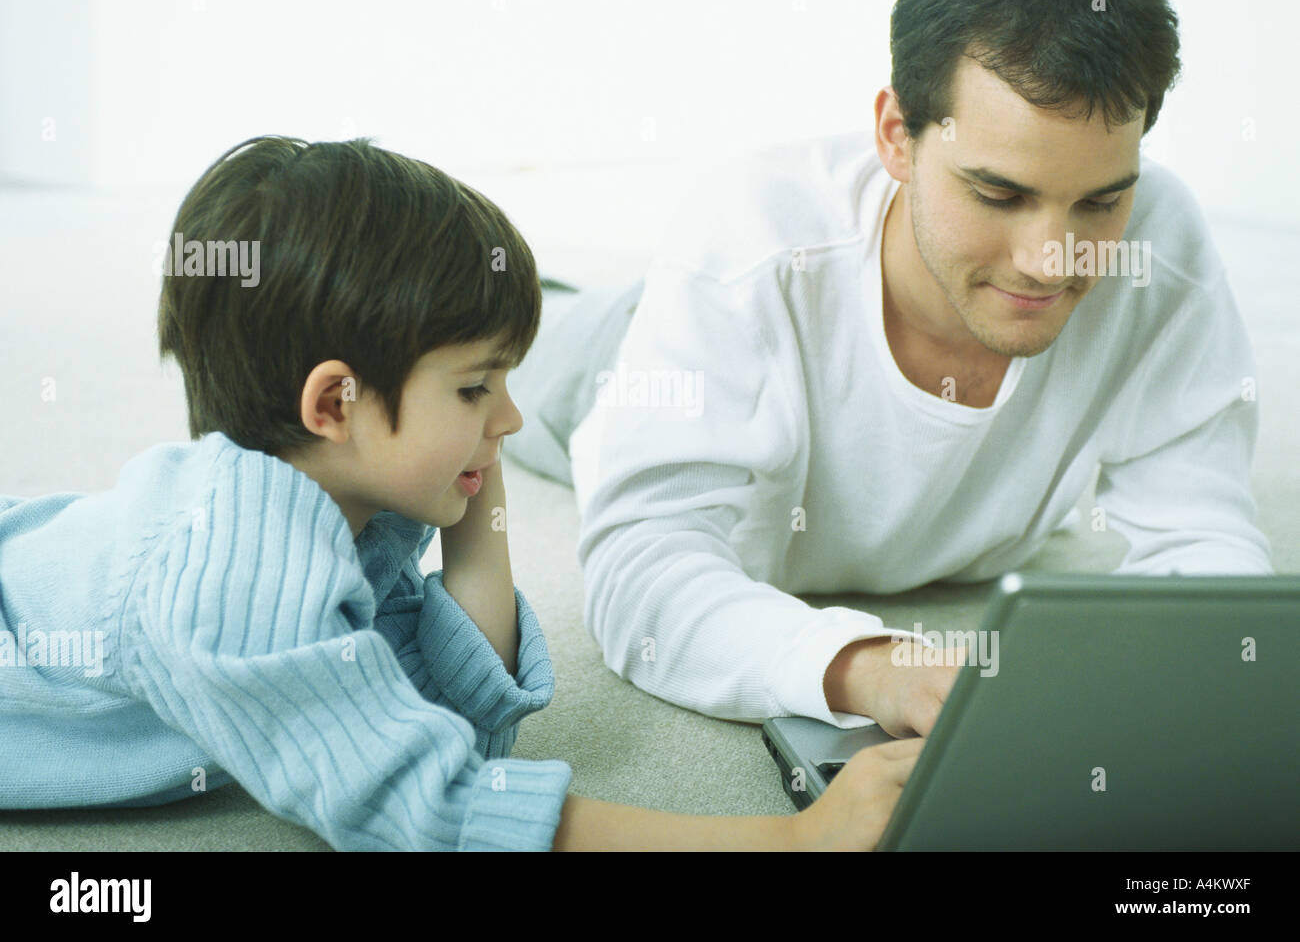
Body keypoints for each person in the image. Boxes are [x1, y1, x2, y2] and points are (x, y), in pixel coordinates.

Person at [0, 134, 922, 851]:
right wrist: (788, 837)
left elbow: (453, 718)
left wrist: (472, 460)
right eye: (478, 386)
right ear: (335, 402)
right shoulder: (235, 585)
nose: (513, 418)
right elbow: (433, 814)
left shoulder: (338, 500)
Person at [504, 0, 1274, 736]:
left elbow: (1203, 539)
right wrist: (868, 668)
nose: (1052, 261)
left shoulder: (1158, 246)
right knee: (488, 346)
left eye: (1098, 202)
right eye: (998, 194)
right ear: (895, 136)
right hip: (617, 351)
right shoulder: (746, 245)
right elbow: (641, 576)